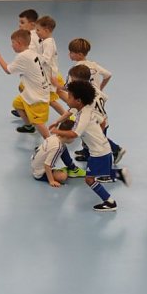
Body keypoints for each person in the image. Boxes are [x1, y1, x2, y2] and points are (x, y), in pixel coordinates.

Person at [53, 80, 130, 212]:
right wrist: (95, 135)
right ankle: (119, 174)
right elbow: (103, 121)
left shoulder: (83, 115)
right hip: (104, 148)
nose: (67, 98)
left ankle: (109, 202)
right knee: (99, 174)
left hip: (98, 152)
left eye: (69, 96)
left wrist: (56, 131)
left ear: (78, 100)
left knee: (89, 179)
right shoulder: (87, 108)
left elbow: (74, 134)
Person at [0, 29, 52, 137]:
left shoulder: (22, 57)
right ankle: (29, 126)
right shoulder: (32, 53)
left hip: (37, 97)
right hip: (30, 93)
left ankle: (50, 144)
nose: (12, 46)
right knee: (17, 104)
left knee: (39, 123)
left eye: (13, 43)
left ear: (19, 44)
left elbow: (8, 70)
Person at [31, 119, 81, 187]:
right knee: (62, 177)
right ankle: (67, 169)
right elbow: (47, 165)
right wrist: (51, 181)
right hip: (40, 173)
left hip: (35, 166)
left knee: (64, 147)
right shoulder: (57, 147)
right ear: (68, 136)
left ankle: (71, 166)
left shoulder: (54, 137)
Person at [36, 16, 69, 117]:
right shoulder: (46, 41)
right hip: (52, 73)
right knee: (59, 91)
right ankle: (77, 108)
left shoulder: (48, 43)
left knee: (50, 100)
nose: (36, 32)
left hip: (49, 76)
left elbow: (45, 59)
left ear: (46, 30)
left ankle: (68, 116)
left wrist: (32, 59)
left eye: (38, 30)